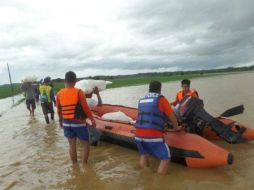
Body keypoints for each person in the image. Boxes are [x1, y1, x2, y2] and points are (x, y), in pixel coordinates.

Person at [134, 81, 182, 175]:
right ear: (160, 89)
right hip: (152, 135)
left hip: (138, 135)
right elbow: (172, 118)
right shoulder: (161, 99)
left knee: (144, 154)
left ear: (149, 88)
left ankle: (145, 176)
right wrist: (176, 128)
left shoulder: (141, 99)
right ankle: (160, 181)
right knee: (166, 158)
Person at [56, 71, 96, 164]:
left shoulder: (59, 94)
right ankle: (84, 166)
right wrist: (92, 119)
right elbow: (86, 108)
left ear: (64, 81)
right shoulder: (79, 92)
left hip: (66, 123)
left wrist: (60, 121)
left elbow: (59, 110)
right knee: (86, 144)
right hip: (78, 123)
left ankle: (75, 167)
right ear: (75, 81)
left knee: (72, 147)